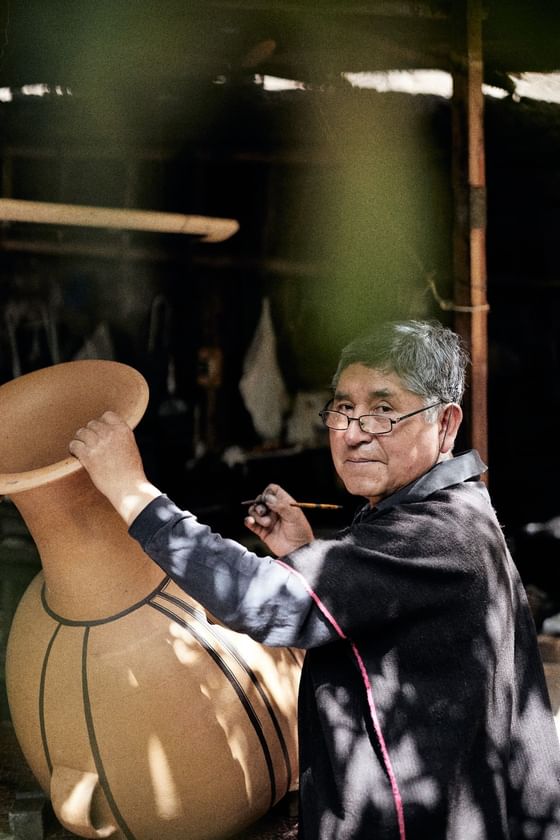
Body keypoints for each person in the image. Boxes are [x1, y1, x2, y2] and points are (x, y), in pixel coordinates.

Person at [69, 319, 560, 840]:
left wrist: (132, 493)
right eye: (343, 409)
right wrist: (306, 555)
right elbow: (384, 623)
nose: (351, 432)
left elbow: (260, 601)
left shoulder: (439, 533)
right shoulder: (448, 511)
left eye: (383, 411)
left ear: (446, 424)